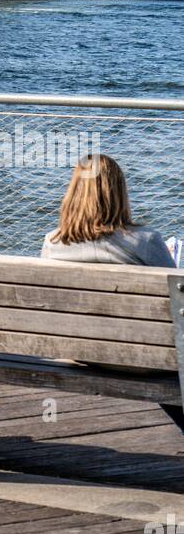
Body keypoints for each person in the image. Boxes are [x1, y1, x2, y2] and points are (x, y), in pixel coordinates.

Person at [42, 153, 184, 436]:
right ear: (119, 192)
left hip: (78, 351)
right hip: (144, 359)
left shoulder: (53, 243)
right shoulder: (145, 241)